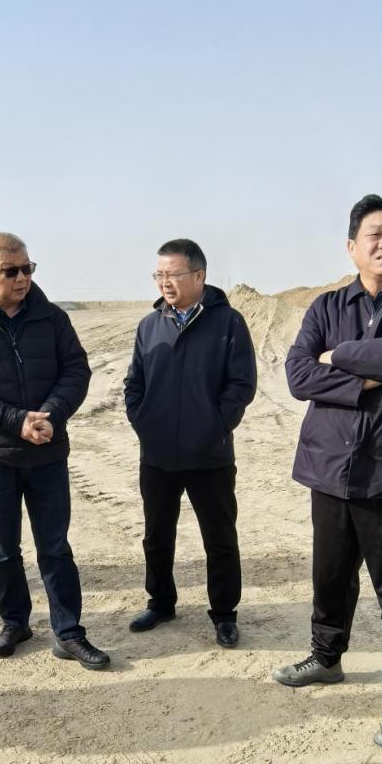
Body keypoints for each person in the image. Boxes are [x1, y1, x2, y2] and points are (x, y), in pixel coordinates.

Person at [273, 194, 382, 752]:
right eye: (375, 234)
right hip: (330, 468)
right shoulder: (327, 306)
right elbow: (299, 376)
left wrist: (338, 357)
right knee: (330, 576)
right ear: (352, 246)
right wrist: (376, 368)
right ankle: (326, 657)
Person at [0, 232, 109, 669]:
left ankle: (68, 632)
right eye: (10, 270)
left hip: (47, 452)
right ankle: (14, 622)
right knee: (3, 547)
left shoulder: (52, 318)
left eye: (28, 268)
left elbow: (76, 370)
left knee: (55, 546)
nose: (22, 278)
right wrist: (16, 421)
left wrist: (51, 414)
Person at [123, 238, 257, 648]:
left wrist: (214, 427)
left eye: (173, 274)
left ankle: (224, 613)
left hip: (209, 455)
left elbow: (241, 385)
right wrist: (144, 423)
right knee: (156, 536)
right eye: (159, 274)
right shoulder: (149, 326)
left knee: (219, 538)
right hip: (158, 454)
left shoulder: (228, 322)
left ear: (199, 276)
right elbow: (134, 383)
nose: (165, 282)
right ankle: (161, 602)